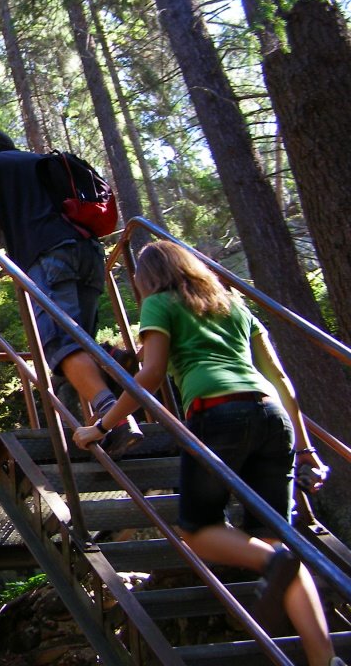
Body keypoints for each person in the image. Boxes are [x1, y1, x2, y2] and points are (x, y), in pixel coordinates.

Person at [72, 241, 341, 666]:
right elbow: (283, 381)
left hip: (217, 414)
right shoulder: (231, 305)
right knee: (274, 533)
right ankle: (324, 658)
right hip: (273, 416)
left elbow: (153, 373)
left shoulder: (158, 303)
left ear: (145, 280)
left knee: (198, 531)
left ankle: (273, 562)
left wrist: (102, 425)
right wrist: (306, 448)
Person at [0, 128, 142, 456]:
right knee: (80, 343)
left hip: (48, 258)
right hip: (88, 252)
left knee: (61, 345)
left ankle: (114, 418)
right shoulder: (39, 161)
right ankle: (111, 364)